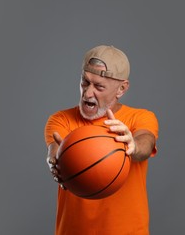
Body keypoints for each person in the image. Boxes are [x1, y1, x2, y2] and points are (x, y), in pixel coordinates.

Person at [44, 45, 159, 235]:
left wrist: (132, 144)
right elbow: (55, 148)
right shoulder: (61, 119)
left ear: (121, 88)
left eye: (99, 86)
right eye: (84, 82)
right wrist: (55, 160)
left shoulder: (140, 118)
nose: (88, 93)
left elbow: (145, 143)